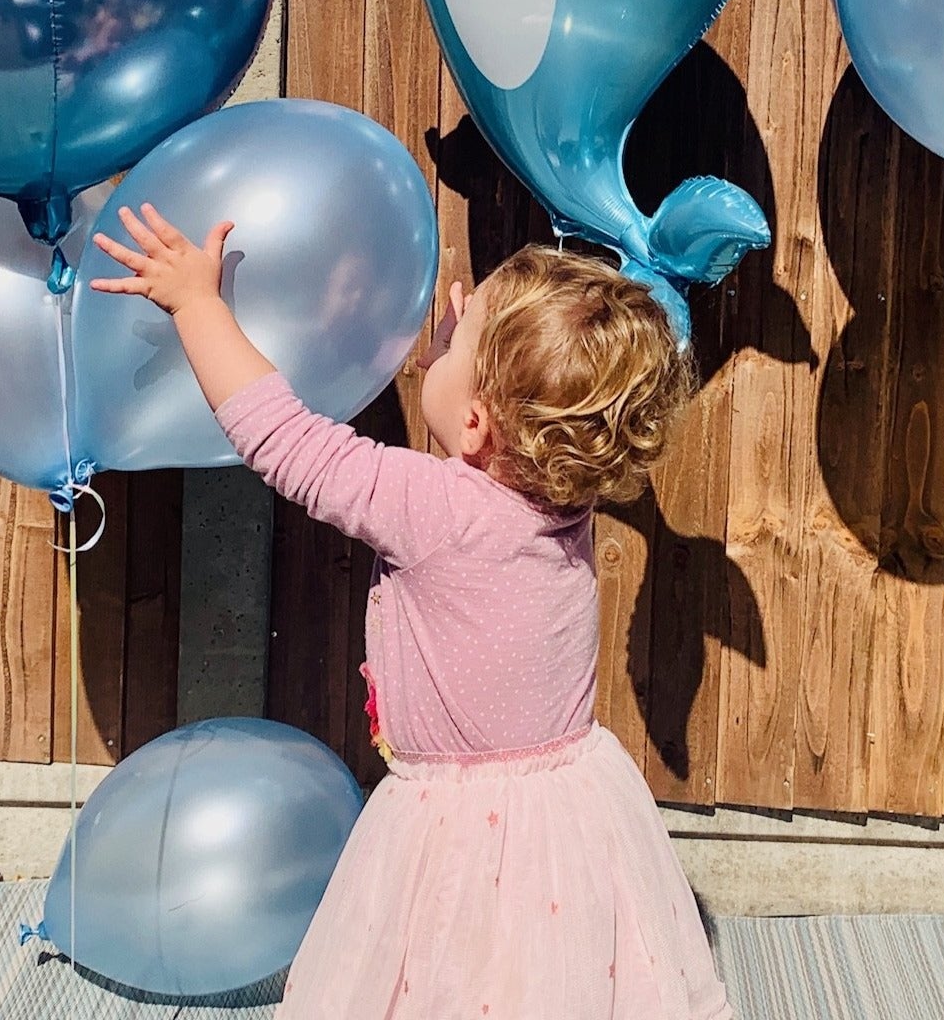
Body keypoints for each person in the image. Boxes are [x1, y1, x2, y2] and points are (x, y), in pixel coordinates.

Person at [91, 202, 734, 1020]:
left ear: (475, 424)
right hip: (575, 811)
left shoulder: (434, 510)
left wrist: (198, 305)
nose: (440, 336)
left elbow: (284, 441)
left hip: (457, 831)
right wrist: (475, 358)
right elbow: (492, 454)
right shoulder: (569, 496)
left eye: (455, 344)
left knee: (449, 978)